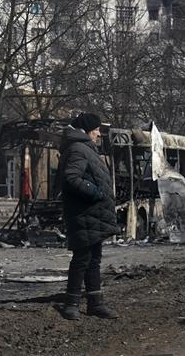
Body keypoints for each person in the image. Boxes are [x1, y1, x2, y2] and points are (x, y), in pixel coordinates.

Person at [56, 112, 120, 320]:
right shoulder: (78, 149)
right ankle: (71, 304)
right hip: (84, 213)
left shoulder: (85, 148)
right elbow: (71, 178)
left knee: (93, 259)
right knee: (82, 259)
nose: (99, 134)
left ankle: (95, 303)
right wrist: (96, 193)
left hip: (91, 215)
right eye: (96, 130)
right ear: (86, 130)